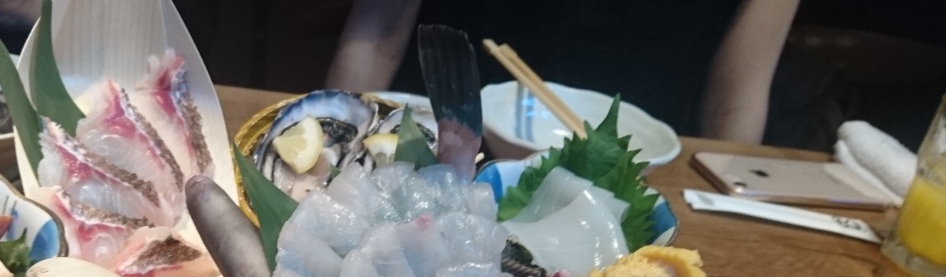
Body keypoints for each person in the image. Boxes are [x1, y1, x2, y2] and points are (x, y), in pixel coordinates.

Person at [325, 0, 800, 144]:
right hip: (436, 149)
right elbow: (378, 31)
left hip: (637, 173)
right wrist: (330, 140)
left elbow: (736, 99)